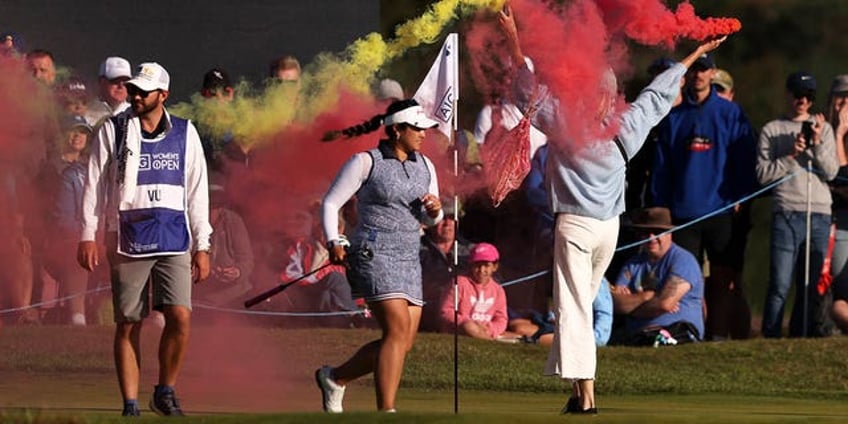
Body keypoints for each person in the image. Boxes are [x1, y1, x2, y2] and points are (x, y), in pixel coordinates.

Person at [499, 5, 728, 414]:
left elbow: (524, 89)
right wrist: (695, 53)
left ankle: (586, 397)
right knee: (581, 309)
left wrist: (514, 37)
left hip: (575, 226)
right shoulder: (627, 126)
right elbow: (659, 95)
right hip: (609, 229)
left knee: (572, 310)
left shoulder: (566, 121)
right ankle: (578, 392)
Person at [77, 62, 211, 416]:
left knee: (180, 317)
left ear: (163, 95)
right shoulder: (113, 129)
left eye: (143, 91)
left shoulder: (186, 132)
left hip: (174, 234)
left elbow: (197, 192)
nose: (135, 96)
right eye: (133, 90)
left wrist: (203, 244)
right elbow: (94, 183)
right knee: (129, 322)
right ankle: (131, 404)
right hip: (126, 234)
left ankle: (165, 390)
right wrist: (87, 235)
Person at [315, 98, 443, 413]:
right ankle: (387, 411)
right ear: (396, 129)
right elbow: (331, 203)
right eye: (416, 128)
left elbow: (430, 219)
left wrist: (435, 212)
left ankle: (335, 377)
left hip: (410, 256)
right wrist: (334, 239)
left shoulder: (426, 165)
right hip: (373, 253)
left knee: (403, 342)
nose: (423, 134)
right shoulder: (365, 161)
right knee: (397, 331)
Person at [650, 52, 757, 341]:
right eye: (694, 69)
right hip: (683, 213)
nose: (698, 75)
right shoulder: (674, 118)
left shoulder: (730, 113)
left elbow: (745, 157)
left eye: (704, 70)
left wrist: (740, 196)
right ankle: (690, 333)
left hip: (720, 211)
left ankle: (718, 336)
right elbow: (662, 167)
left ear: (712, 74)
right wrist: (662, 208)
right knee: (686, 279)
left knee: (723, 280)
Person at [757, 71, 839, 338]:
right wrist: (791, 155)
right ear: (788, 95)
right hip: (787, 211)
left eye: (808, 96)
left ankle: (802, 336)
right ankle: (770, 337)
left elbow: (831, 172)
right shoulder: (772, 130)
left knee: (811, 283)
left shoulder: (824, 129)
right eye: (798, 95)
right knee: (780, 283)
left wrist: (815, 144)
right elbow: (762, 175)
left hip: (818, 213)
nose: (803, 101)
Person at [610, 207, 705, 345]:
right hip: (637, 335)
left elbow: (665, 304)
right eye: (645, 232)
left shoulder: (683, 261)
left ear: (670, 233)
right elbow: (615, 303)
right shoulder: (632, 264)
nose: (651, 237)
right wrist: (646, 297)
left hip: (677, 333)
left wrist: (630, 307)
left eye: (658, 232)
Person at [45, 115, 93, 325]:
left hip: (90, 233)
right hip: (61, 237)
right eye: (73, 130)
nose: (78, 136)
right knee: (77, 250)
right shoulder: (49, 166)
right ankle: (77, 317)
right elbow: (57, 215)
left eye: (82, 132)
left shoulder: (91, 167)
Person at [192, 183, 253, 309]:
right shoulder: (188, 221)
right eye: (206, 207)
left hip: (234, 294)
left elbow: (247, 259)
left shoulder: (234, 221)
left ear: (221, 208)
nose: (209, 212)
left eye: (213, 208)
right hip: (198, 292)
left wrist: (237, 272)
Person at [439, 242, 515, 341]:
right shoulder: (459, 283)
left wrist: (489, 328)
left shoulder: (498, 290)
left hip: (486, 329)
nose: (481, 270)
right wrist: (467, 322)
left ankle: (487, 338)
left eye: (486, 265)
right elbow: (446, 311)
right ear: (471, 265)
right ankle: (490, 343)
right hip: (460, 328)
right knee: (469, 327)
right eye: (477, 265)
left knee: (515, 335)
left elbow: (501, 319)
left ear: (494, 267)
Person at [419, 197, 471, 332]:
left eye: (451, 218)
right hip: (426, 317)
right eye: (442, 218)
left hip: (466, 316)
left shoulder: (472, 252)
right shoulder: (417, 249)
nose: (447, 223)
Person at [828, 74, 848, 334]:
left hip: (844, 220)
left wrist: (841, 133)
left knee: (842, 290)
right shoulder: (820, 127)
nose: (844, 103)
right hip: (826, 214)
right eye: (840, 96)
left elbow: (841, 175)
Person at [87, 56, 132, 124]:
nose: (121, 86)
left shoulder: (136, 114)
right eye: (115, 81)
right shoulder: (86, 113)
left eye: (125, 82)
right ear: (101, 82)